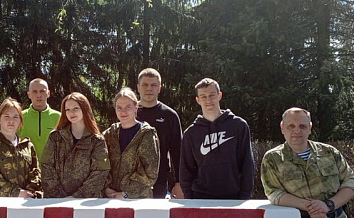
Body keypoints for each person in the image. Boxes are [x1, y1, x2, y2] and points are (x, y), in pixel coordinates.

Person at [179, 78, 254, 200]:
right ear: (198, 100)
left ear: (219, 95)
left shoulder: (238, 126)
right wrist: (189, 198)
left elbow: (247, 164)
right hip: (200, 199)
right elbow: (185, 170)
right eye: (203, 96)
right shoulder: (191, 134)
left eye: (212, 95)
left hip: (233, 198)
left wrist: (245, 195)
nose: (208, 100)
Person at [41, 92, 110, 198]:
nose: (71, 112)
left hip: (85, 202)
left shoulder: (97, 140)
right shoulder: (55, 137)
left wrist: (77, 196)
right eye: (67, 109)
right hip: (56, 199)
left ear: (84, 109)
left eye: (75, 108)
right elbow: (46, 165)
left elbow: (100, 172)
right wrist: (58, 195)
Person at [102, 87, 159, 199]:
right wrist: (106, 187)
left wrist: (126, 194)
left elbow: (151, 173)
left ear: (136, 107)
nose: (123, 112)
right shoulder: (110, 134)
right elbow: (99, 163)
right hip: (110, 197)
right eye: (119, 108)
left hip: (138, 199)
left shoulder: (147, 134)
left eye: (128, 107)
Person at [0, 98, 43, 198]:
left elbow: (35, 172)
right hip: (1, 204)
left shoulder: (27, 145)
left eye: (15, 117)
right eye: (6, 116)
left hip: (27, 202)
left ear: (20, 121)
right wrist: (16, 193)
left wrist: (31, 193)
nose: (11, 121)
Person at [135, 68, 183, 199]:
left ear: (159, 88)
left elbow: (177, 152)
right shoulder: (128, 113)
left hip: (159, 180)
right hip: (129, 180)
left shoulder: (169, 116)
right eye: (145, 85)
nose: (149, 88)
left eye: (153, 85)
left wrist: (179, 182)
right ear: (138, 87)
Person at [19, 78, 61, 159]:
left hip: (53, 169)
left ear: (48, 93)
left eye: (42, 91)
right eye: (34, 92)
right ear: (29, 94)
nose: (38, 95)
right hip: (26, 169)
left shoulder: (59, 117)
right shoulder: (19, 117)